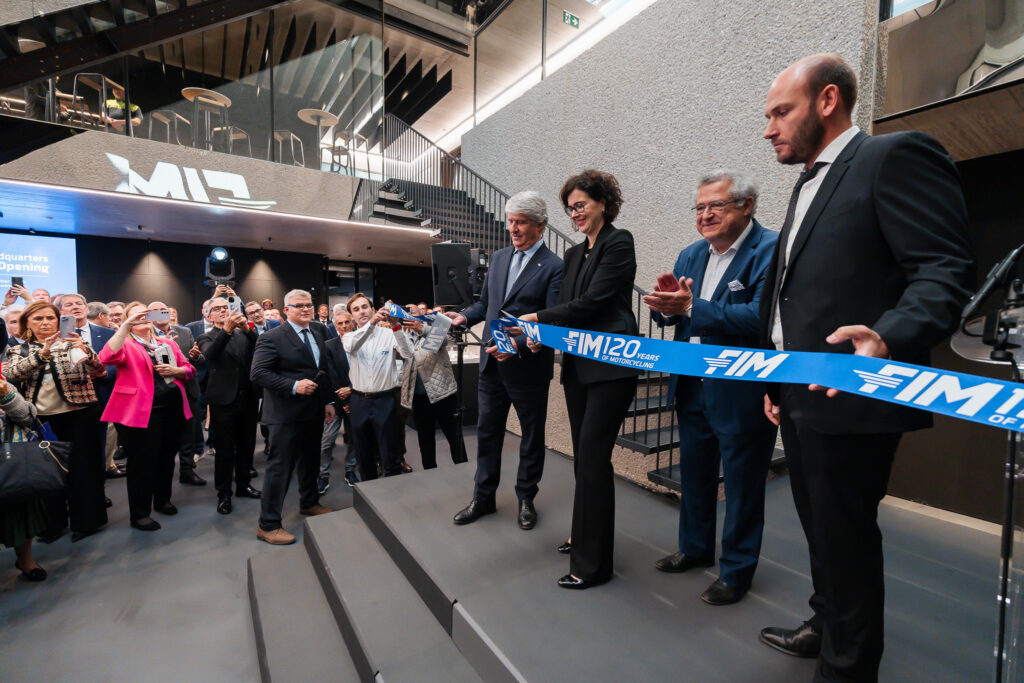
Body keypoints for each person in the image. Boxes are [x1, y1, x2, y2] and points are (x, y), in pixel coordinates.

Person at [757, 55, 975, 680]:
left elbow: (945, 270)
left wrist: (888, 334)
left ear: (828, 101)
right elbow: (793, 297)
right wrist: (774, 378)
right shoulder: (806, 183)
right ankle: (825, 626)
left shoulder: (893, 157)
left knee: (847, 540)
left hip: (853, 395)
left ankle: (847, 668)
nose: (769, 128)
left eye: (780, 112)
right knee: (819, 530)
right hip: (798, 396)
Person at [643, 170, 778, 606]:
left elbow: (762, 320)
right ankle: (695, 547)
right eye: (699, 207)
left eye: (715, 206)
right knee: (696, 474)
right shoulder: (690, 255)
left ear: (747, 205)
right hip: (692, 385)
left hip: (744, 390)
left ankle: (736, 571)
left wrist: (690, 307)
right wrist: (666, 308)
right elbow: (679, 316)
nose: (705, 215)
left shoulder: (771, 250)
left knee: (741, 485)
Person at [518, 171, 639, 589]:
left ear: (603, 202)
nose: (575, 213)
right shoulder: (572, 256)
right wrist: (542, 338)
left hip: (611, 367)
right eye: (570, 208)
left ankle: (593, 566)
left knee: (592, 458)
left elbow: (594, 303)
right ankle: (583, 535)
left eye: (581, 204)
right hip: (577, 367)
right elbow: (567, 307)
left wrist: (537, 320)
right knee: (584, 461)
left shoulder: (619, 242)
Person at [447, 191, 563, 531]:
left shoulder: (555, 267)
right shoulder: (498, 258)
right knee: (487, 433)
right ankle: (483, 498)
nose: (513, 228)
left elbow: (551, 322)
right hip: (491, 365)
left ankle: (526, 498)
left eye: (521, 222)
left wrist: (518, 345)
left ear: (540, 226)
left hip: (528, 368)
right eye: (510, 221)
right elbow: (486, 305)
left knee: (530, 436)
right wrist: (463, 318)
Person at [4, 301, 109, 543]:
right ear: (27, 324)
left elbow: (99, 369)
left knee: (84, 469)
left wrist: (84, 349)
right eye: (38, 319)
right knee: (47, 474)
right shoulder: (19, 350)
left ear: (58, 321)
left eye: (50, 318)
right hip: (41, 420)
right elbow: (13, 374)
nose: (45, 323)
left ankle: (87, 522)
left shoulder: (72, 342)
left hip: (80, 414)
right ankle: (51, 525)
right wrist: (43, 353)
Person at [98, 302, 195, 531]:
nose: (142, 317)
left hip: (172, 408)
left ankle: (162, 500)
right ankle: (140, 513)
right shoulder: (126, 344)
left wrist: (178, 371)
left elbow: (188, 369)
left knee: (167, 457)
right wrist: (124, 327)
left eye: (146, 313)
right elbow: (106, 357)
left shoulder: (167, 342)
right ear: (127, 320)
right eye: (135, 315)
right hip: (140, 412)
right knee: (142, 463)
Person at [250, 289, 335, 545]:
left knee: (310, 460)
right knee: (280, 468)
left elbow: (322, 369)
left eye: (309, 305)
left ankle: (309, 502)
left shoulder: (318, 331)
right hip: (284, 414)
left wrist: (328, 401)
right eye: (299, 306)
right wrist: (294, 386)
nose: (306, 309)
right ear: (286, 310)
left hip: (313, 411)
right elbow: (258, 373)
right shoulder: (272, 337)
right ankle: (268, 525)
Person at [198, 297, 262, 515]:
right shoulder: (206, 336)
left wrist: (247, 329)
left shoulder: (242, 334)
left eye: (226, 307)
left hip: (249, 398)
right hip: (223, 401)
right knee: (225, 450)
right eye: (217, 309)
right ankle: (224, 493)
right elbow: (211, 356)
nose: (223, 311)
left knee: (247, 445)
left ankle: (243, 485)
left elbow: (262, 347)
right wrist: (226, 330)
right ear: (208, 315)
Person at [342, 293, 413, 480]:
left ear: (372, 309)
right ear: (352, 316)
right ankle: (368, 493)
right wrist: (372, 324)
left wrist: (396, 326)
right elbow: (352, 348)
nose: (361, 312)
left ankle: (392, 495)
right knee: (364, 454)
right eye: (356, 309)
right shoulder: (349, 337)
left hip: (386, 400)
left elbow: (408, 353)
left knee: (390, 452)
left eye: (365, 307)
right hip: (359, 400)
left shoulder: (389, 333)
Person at [149, 301, 206, 486]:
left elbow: (193, 362)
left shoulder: (185, 332)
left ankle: (187, 471)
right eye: (156, 311)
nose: (162, 313)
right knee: (164, 437)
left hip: (186, 389)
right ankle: (161, 474)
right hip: (160, 394)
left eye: (164, 310)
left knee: (188, 432)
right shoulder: (145, 336)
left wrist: (196, 356)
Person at [400, 317, 468, 470]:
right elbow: (403, 355)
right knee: (425, 441)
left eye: (414, 313)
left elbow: (443, 340)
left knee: (454, 438)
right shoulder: (404, 336)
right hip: (419, 399)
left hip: (443, 395)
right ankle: (429, 474)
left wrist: (422, 329)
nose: (410, 317)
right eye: (407, 314)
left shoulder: (435, 327)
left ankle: (464, 472)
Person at [0, 379, 50, 581]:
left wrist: (7, 396)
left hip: (12, 460)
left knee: (21, 510)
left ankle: (25, 560)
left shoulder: (3, 383)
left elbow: (28, 417)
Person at [320, 311, 359, 493]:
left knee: (354, 439)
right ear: (335, 326)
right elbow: (331, 376)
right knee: (327, 441)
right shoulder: (329, 345)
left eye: (347, 322)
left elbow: (364, 372)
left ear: (352, 323)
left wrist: (351, 393)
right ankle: (323, 474)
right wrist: (342, 399)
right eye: (340, 323)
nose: (344, 326)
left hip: (357, 397)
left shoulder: (360, 343)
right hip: (335, 400)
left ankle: (350, 470)